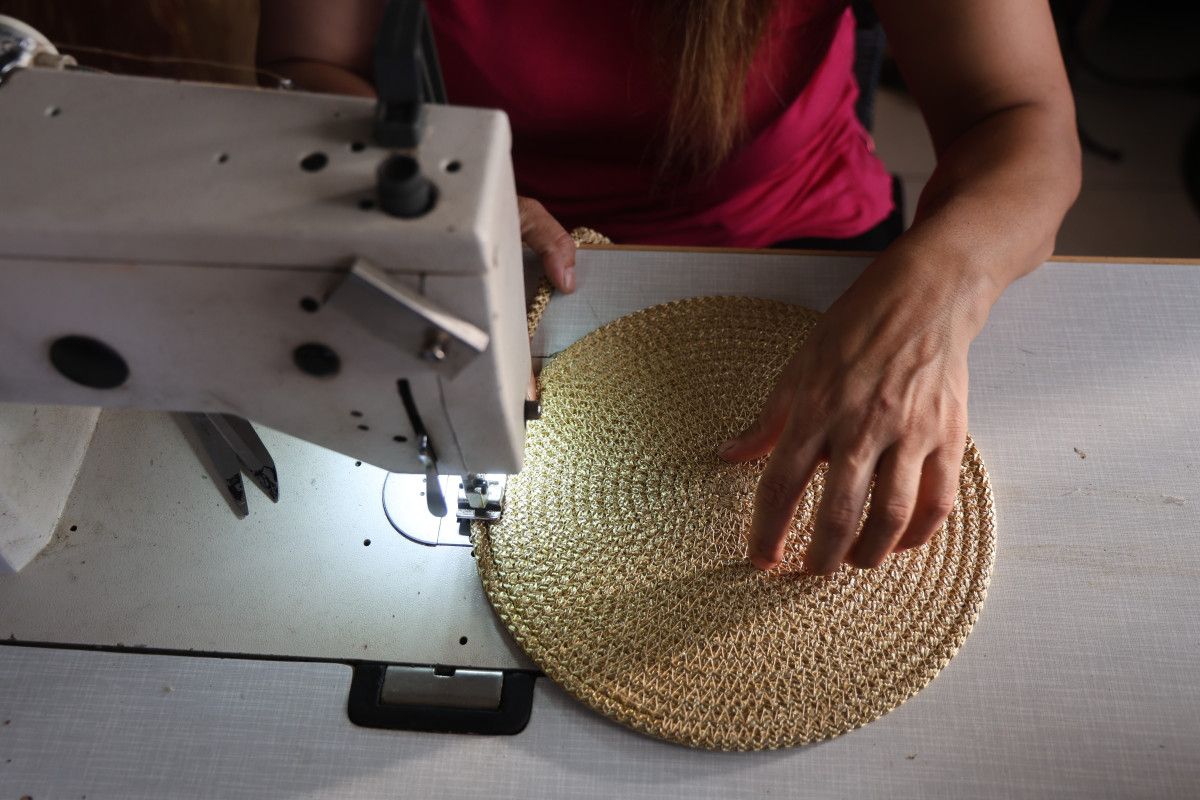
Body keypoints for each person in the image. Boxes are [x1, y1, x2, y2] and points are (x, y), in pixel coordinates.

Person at [259, 1, 1081, 575]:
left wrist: (933, 301)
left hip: (799, 232)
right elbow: (304, 67)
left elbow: (1022, 120)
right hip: (502, 229)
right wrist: (444, 187)